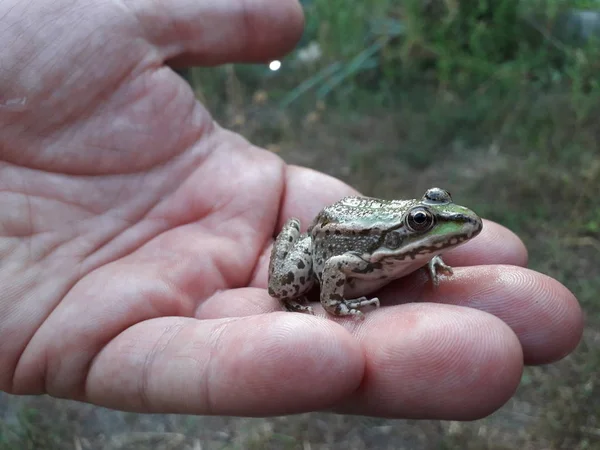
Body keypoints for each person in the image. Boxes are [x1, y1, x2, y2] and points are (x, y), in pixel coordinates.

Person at [0, 0, 582, 419]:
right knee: (289, 284)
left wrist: (425, 258)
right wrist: (334, 307)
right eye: (425, 224)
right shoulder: (366, 252)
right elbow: (332, 270)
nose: (445, 223)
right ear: (408, 231)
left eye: (432, 212)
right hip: (333, 237)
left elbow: (417, 239)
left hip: (364, 224)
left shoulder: (410, 244)